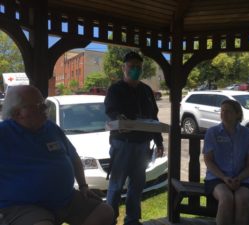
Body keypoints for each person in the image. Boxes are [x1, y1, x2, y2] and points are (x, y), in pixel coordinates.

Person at [0, 85, 114, 225]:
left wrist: (84, 186)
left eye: (44, 104)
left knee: (104, 212)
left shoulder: (51, 128)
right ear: (18, 113)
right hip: (23, 206)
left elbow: (73, 157)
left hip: (66, 199)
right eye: (39, 105)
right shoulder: (4, 134)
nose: (45, 108)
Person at [104, 51, 164, 225]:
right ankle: (109, 219)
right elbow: (110, 111)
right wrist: (119, 119)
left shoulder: (146, 90)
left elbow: (153, 117)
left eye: (138, 67)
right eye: (132, 67)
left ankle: (132, 220)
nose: (135, 70)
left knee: (137, 186)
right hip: (122, 144)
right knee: (116, 186)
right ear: (124, 68)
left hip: (143, 146)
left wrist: (158, 141)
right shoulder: (115, 89)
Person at [203, 99, 249, 225]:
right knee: (226, 198)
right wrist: (224, 177)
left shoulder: (247, 134)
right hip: (217, 178)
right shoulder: (212, 132)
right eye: (222, 111)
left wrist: (239, 178)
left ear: (238, 114)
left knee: (242, 199)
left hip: (243, 178)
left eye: (228, 111)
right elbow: (208, 160)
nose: (224, 114)